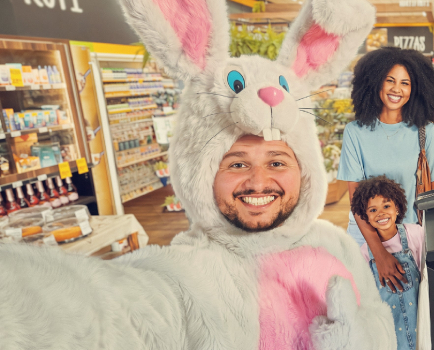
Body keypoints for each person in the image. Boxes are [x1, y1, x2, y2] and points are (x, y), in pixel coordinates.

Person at [0, 0, 396, 348]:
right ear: (200, 173)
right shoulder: (187, 277)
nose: (259, 182)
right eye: (237, 163)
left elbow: (378, 318)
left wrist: (363, 339)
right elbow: (98, 315)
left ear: (305, 171)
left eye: (277, 162)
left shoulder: (335, 245)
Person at [339, 46, 434, 293]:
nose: (396, 89)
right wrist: (379, 254)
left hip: (409, 238)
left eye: (405, 83)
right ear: (375, 82)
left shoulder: (425, 131)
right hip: (365, 237)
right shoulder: (355, 132)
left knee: (409, 310)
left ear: (415, 88)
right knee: (364, 305)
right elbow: (356, 202)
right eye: (390, 80)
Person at [350, 176, 426, 350]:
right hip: (390, 334)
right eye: (373, 210)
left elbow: (427, 276)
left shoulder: (416, 234)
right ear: (365, 216)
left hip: (420, 324)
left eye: (386, 206)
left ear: (397, 207)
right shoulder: (364, 253)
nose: (381, 213)